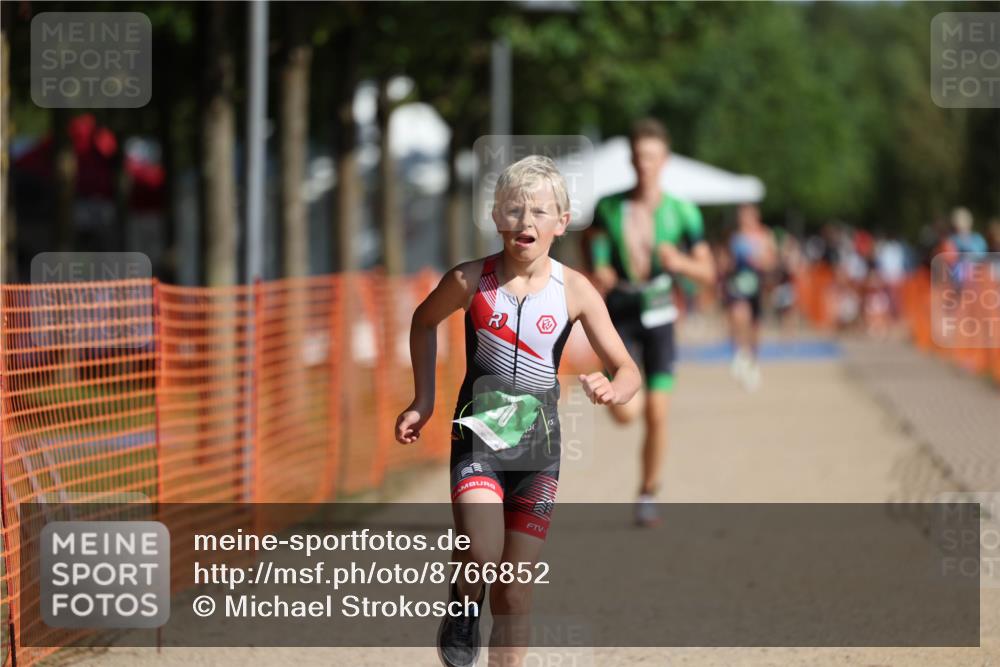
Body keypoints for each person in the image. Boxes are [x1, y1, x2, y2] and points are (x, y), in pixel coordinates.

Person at [395, 155, 641, 667]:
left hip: (538, 454)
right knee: (483, 555)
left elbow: (628, 368)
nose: (525, 222)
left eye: (538, 212)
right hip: (478, 443)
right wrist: (423, 400)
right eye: (513, 210)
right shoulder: (469, 281)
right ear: (495, 216)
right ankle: (463, 603)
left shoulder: (574, 290)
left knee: (514, 593)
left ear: (561, 222)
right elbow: (422, 323)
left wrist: (615, 388)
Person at [582, 118, 715, 527]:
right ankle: (626, 401)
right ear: (631, 160)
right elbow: (591, 244)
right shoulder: (609, 206)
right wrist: (599, 270)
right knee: (625, 413)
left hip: (659, 315)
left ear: (665, 160)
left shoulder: (683, 212)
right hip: (619, 312)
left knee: (657, 413)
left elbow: (708, 271)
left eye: (652, 157)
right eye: (639, 158)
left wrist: (682, 263)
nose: (645, 165)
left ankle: (646, 492)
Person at [722, 204, 777, 389]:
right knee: (739, 316)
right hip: (739, 284)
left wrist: (760, 261)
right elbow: (728, 261)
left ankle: (753, 361)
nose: (743, 219)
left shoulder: (765, 235)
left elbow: (772, 261)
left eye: (747, 216)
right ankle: (739, 353)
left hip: (758, 286)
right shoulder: (736, 237)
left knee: (755, 326)